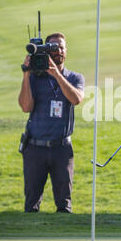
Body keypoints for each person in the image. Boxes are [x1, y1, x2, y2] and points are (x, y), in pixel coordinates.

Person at [18, 32, 85, 213]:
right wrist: (26, 74)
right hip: (35, 148)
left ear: (66, 50)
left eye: (62, 47)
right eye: (54, 47)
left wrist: (56, 75)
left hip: (61, 149)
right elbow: (25, 106)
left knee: (64, 205)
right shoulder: (34, 77)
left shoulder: (75, 77)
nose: (59, 51)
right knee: (31, 204)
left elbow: (76, 99)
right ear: (45, 50)